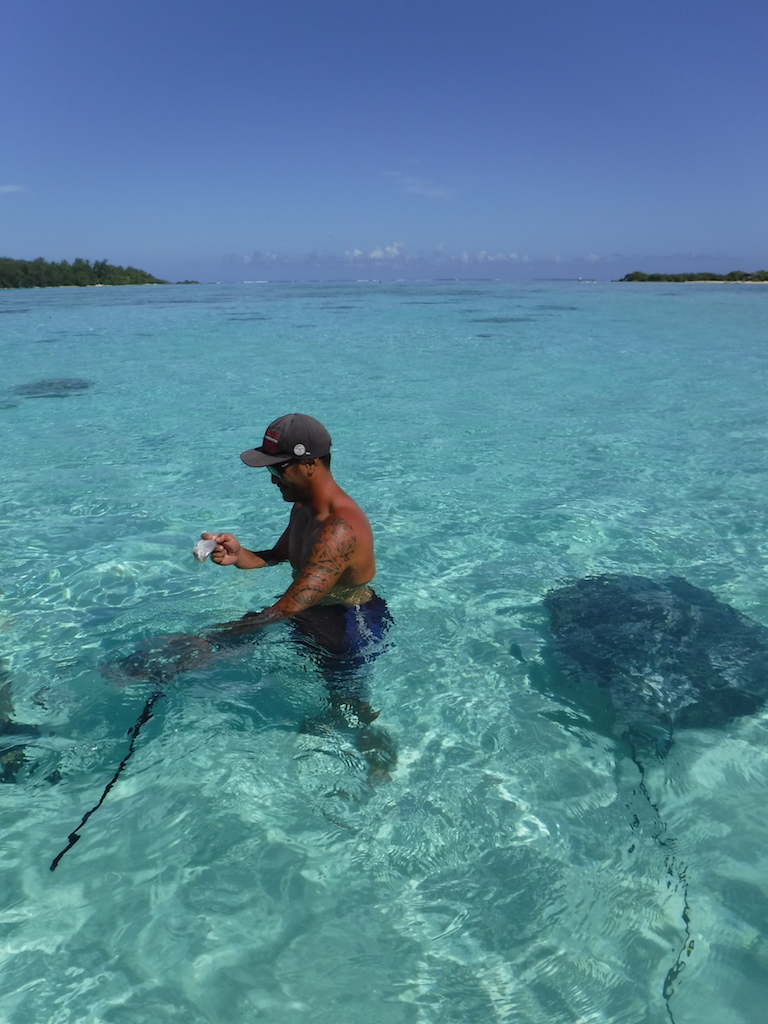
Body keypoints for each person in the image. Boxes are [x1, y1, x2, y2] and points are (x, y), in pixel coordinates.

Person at [200, 413, 395, 778]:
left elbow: (291, 605)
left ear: (310, 465)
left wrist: (212, 640)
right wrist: (240, 555)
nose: (271, 479)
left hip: (349, 625)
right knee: (323, 693)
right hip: (311, 613)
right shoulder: (303, 507)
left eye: (277, 469)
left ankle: (377, 754)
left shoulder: (339, 528)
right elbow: (279, 556)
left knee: (350, 704)